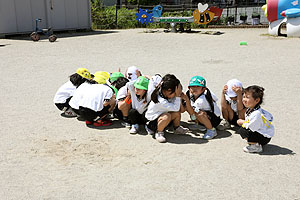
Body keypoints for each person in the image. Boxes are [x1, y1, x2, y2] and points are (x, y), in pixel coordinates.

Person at [145, 74, 189, 143]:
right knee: (167, 116)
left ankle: (176, 128)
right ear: (168, 90)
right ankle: (159, 133)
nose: (176, 94)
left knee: (176, 114)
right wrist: (177, 97)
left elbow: (179, 110)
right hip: (152, 122)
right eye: (175, 93)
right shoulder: (160, 100)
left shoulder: (164, 91)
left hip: (160, 116)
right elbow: (175, 108)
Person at [181, 76, 221, 140]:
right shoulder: (189, 94)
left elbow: (192, 112)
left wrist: (187, 101)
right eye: (193, 86)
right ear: (189, 88)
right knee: (188, 106)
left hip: (214, 119)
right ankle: (199, 124)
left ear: (203, 89)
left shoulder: (202, 99)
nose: (195, 89)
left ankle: (211, 130)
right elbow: (183, 109)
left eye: (198, 86)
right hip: (206, 115)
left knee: (199, 113)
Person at [237, 85, 274, 153]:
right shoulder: (251, 109)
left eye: (247, 97)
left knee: (243, 131)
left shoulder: (256, 113)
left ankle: (256, 146)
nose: (244, 99)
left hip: (264, 137)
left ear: (257, 100)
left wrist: (242, 122)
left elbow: (252, 127)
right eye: (244, 97)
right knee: (244, 128)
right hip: (263, 134)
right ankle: (254, 142)